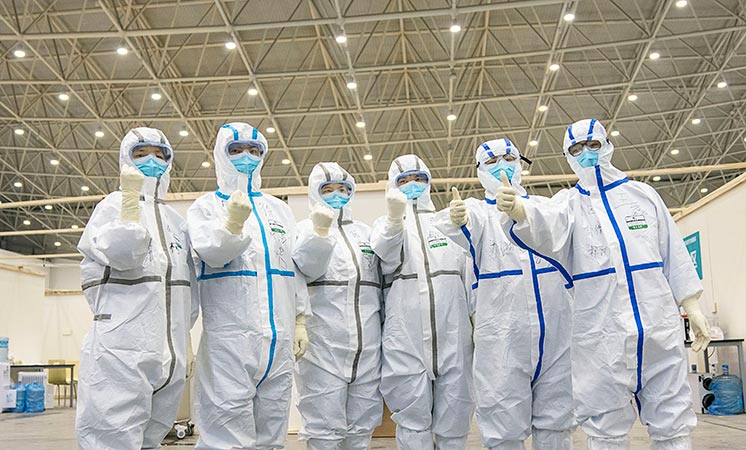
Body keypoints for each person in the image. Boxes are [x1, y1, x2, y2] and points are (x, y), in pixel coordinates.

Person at [496, 119, 711, 450]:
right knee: (605, 428)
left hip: (658, 328)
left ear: (608, 145)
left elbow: (673, 252)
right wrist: (520, 210)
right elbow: (545, 224)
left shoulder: (643, 195)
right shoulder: (568, 205)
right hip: (600, 336)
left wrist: (692, 305)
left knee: (673, 422)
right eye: (576, 149)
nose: (586, 154)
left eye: (593, 145)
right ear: (567, 157)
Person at [433, 138, 574, 450]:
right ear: (479, 171)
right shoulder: (479, 212)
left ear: (521, 163)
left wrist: (522, 210)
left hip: (557, 330)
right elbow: (456, 223)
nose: (502, 167)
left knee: (557, 420)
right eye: (491, 161)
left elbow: (561, 228)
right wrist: (457, 216)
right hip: (503, 338)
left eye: (509, 158)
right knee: (502, 422)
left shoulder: (545, 206)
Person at [187, 122, 310, 450]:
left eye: (254, 150)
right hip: (230, 341)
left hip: (279, 341)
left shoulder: (279, 210)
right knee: (225, 432)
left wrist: (300, 318)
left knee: (272, 432)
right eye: (236, 149)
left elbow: (293, 269)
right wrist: (232, 224)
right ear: (221, 154)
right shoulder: (205, 207)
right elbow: (212, 253)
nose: (246, 156)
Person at [77, 127, 197, 450]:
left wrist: (183, 338)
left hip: (170, 354)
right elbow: (123, 252)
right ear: (125, 160)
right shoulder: (111, 206)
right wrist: (130, 203)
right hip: (122, 352)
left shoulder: (176, 222)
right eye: (141, 154)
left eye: (160, 155)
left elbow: (189, 290)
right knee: (111, 439)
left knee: (151, 440)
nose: (151, 161)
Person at [371, 154, 475, 450]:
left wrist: (477, 318)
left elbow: (469, 272)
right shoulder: (384, 224)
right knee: (412, 418)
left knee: (455, 415)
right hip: (406, 337)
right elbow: (386, 256)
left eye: (419, 178)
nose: (412, 184)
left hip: (453, 333)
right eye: (404, 180)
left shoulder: (446, 222)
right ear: (392, 185)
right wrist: (394, 220)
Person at [293, 162, 384, 450]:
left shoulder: (365, 233)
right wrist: (319, 234)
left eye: (344, 189)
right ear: (314, 192)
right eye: (328, 189)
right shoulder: (302, 230)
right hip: (323, 347)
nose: (337, 195)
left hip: (368, 348)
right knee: (324, 428)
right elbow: (299, 277)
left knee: (362, 426)